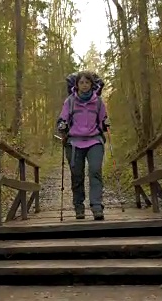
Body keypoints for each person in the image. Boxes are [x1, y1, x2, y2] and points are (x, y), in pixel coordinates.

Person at [56, 71, 110, 221]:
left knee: (95, 171)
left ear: (92, 85)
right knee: (77, 175)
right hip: (74, 142)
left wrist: (106, 124)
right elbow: (62, 118)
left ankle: (97, 207)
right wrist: (61, 125)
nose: (84, 85)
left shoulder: (98, 102)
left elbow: (103, 121)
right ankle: (79, 207)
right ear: (76, 85)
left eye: (87, 83)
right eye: (81, 83)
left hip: (94, 141)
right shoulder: (70, 101)